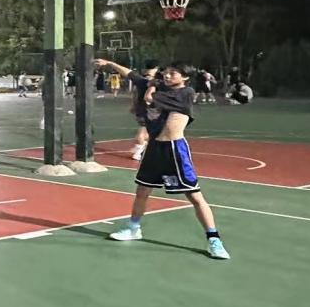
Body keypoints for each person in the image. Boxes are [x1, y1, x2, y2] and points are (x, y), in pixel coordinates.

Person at [96, 59, 230, 260]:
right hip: (154, 148)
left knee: (194, 196)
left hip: (174, 149)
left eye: (173, 73)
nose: (167, 75)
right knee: (142, 191)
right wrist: (110, 63)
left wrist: (150, 86)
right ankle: (133, 228)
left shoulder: (185, 93)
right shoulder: (158, 86)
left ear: (185, 77)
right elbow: (131, 74)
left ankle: (214, 240)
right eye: (166, 72)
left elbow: (150, 98)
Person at [126, 61, 160, 161]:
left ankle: (141, 146)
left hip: (143, 108)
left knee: (146, 130)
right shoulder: (152, 82)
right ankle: (139, 149)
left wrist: (133, 104)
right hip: (147, 109)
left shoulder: (141, 80)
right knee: (143, 130)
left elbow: (135, 94)